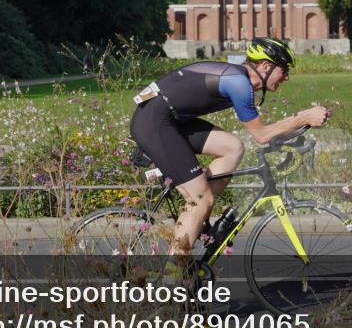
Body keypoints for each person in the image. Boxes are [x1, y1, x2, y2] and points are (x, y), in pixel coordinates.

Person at [129, 37, 329, 260]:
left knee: (232, 147)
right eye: (284, 70)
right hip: (155, 122)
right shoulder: (238, 82)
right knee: (201, 199)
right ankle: (175, 278)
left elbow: (263, 135)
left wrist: (297, 127)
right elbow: (261, 135)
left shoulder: (238, 78)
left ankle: (198, 215)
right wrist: (303, 117)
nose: (287, 76)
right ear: (265, 66)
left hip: (170, 119)